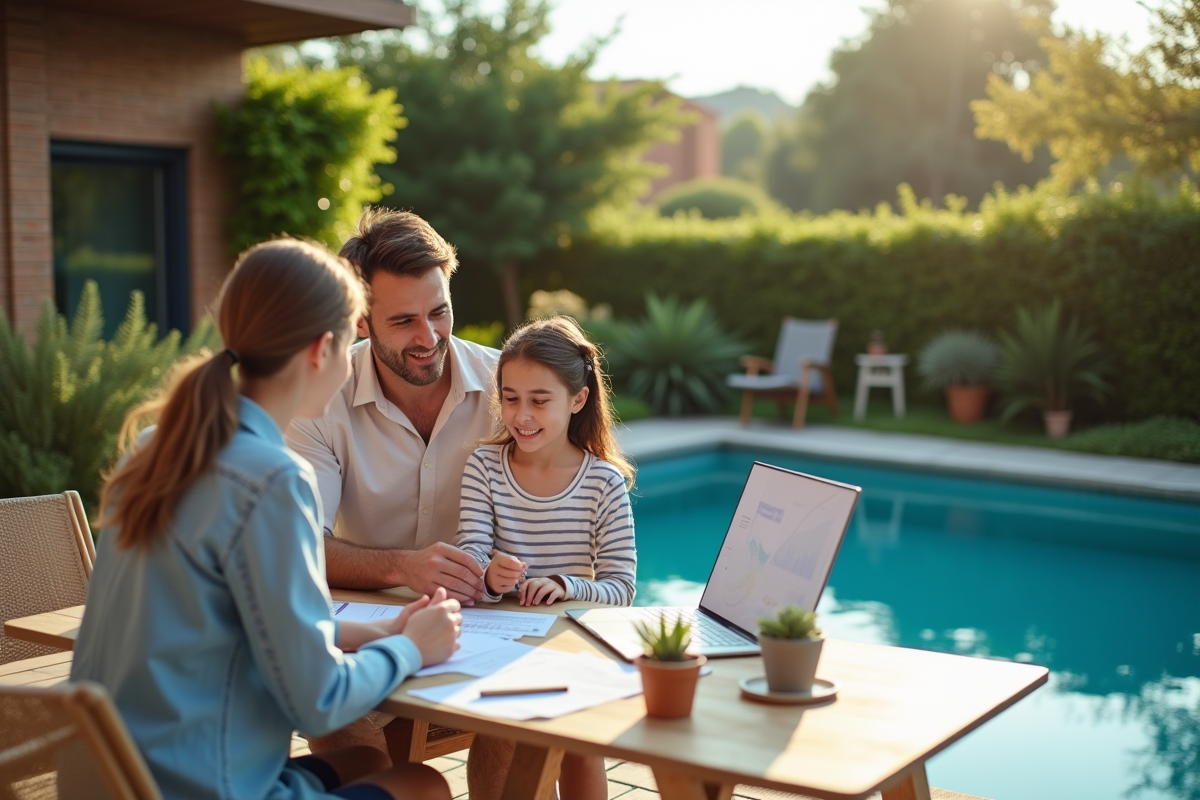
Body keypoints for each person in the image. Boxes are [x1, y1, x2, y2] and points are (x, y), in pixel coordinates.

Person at [70, 239, 462, 800]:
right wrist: (411, 651)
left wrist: (382, 630)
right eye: (354, 337)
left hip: (107, 778)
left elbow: (247, 621)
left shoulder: (155, 447)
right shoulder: (274, 479)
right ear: (320, 349)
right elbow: (316, 698)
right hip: (203, 788)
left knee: (359, 763)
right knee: (422, 784)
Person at [455, 315, 637, 800]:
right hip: (497, 643)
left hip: (571, 645)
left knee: (580, 738)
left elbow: (621, 589)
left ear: (578, 400)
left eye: (539, 401)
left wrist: (567, 585)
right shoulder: (483, 468)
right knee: (502, 732)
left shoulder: (603, 483)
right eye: (510, 398)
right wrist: (489, 577)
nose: (522, 415)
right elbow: (470, 554)